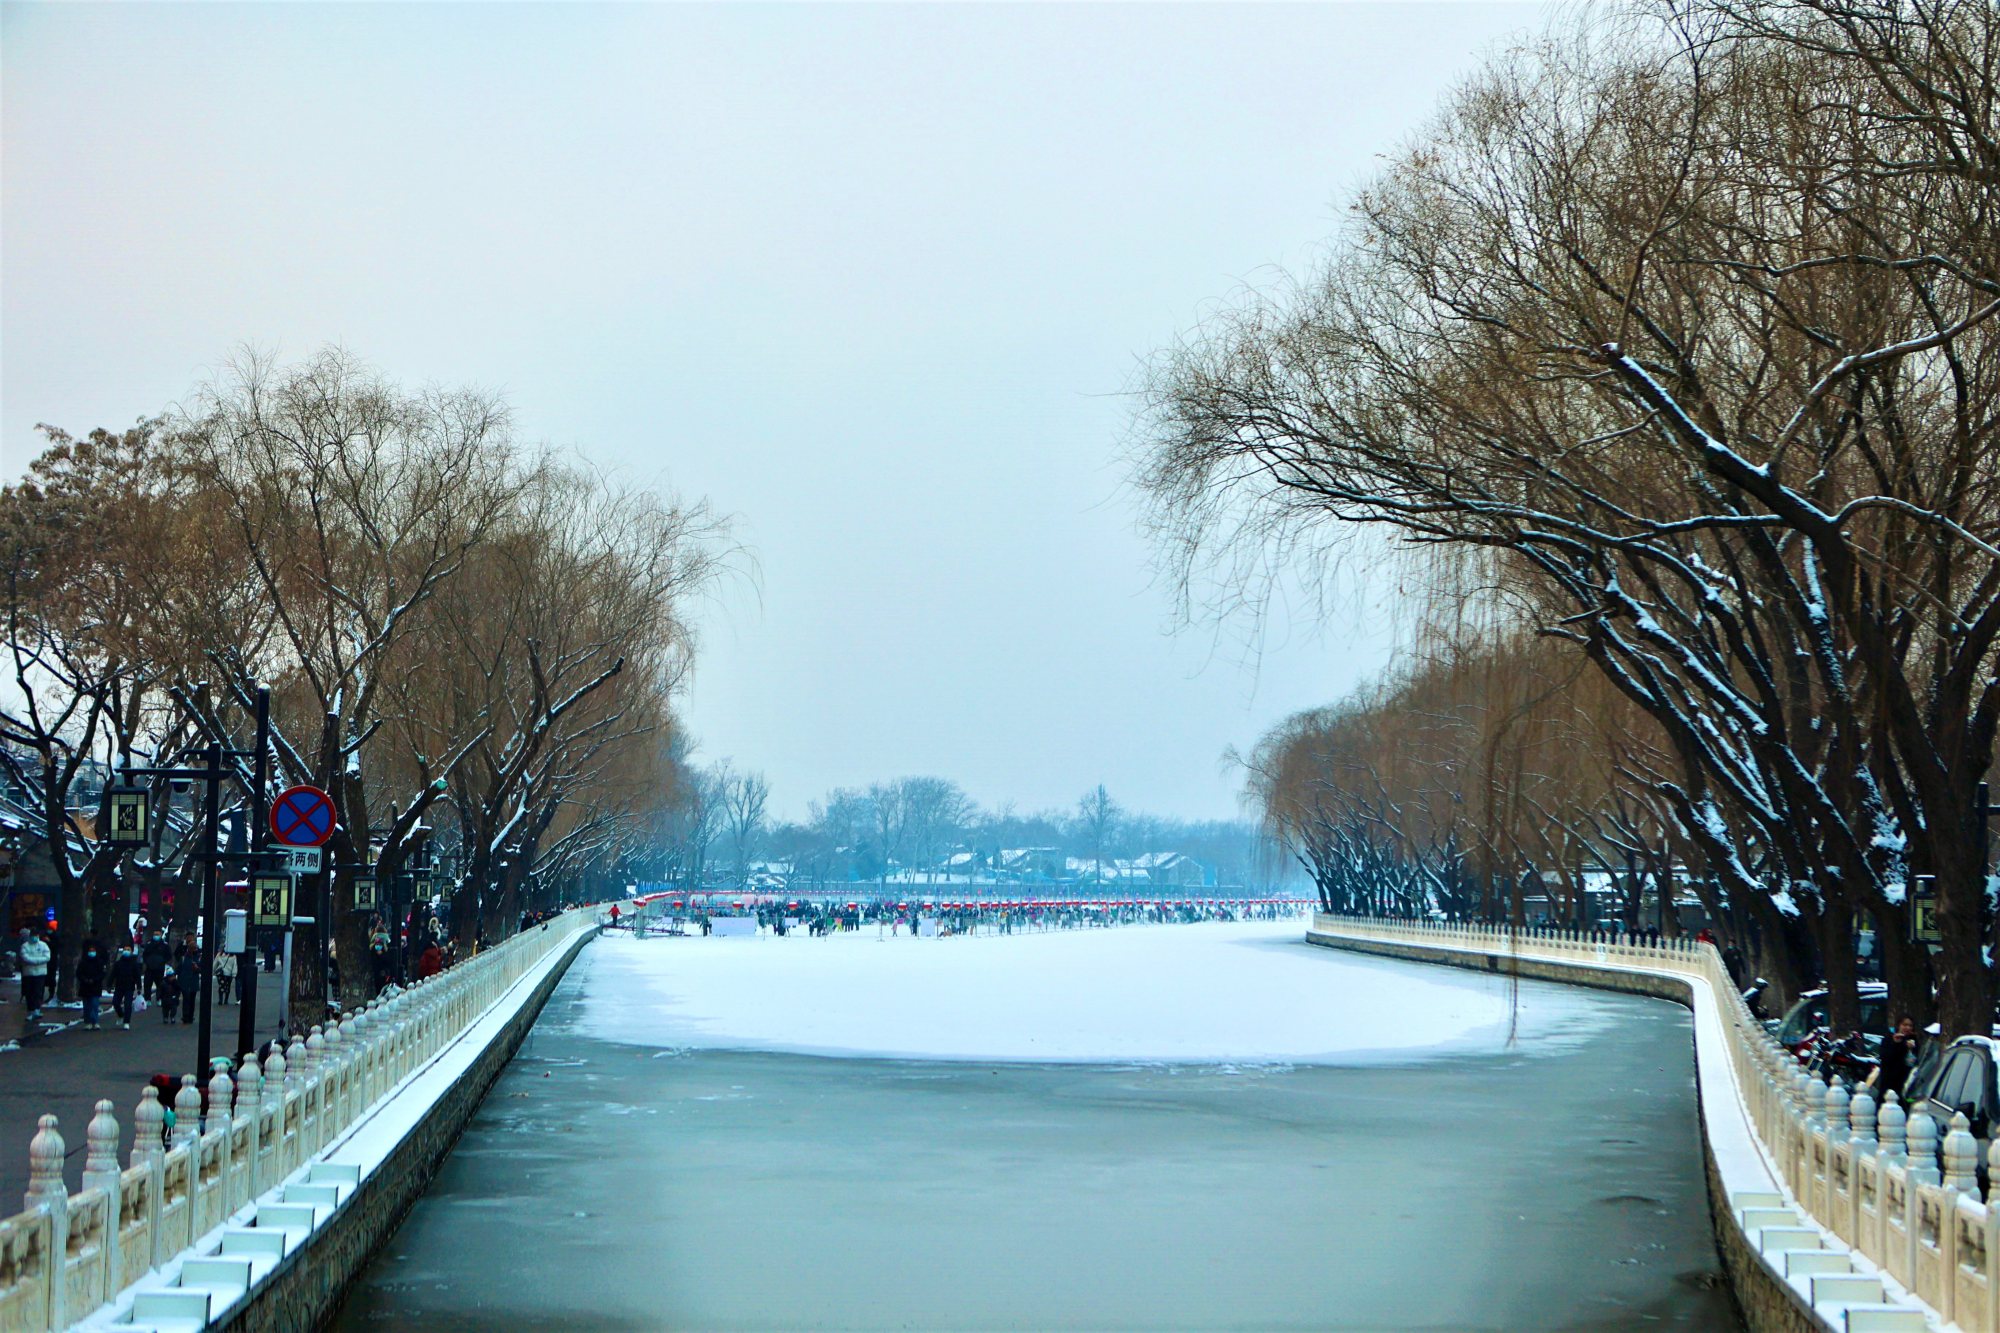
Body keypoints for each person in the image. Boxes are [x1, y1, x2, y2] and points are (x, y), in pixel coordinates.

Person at [1873, 1015, 1920, 1097]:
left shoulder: (1913, 1040)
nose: (1908, 1028)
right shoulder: (1889, 1038)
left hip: (1907, 1081)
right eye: (1905, 1025)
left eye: (1910, 1026)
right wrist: (1898, 1044)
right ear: (1899, 1025)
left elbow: (1917, 1058)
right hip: (1890, 1081)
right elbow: (1886, 1057)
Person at [16, 929, 50, 1020]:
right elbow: (24, 957)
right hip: (29, 973)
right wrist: (38, 960)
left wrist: (35, 960)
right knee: (30, 993)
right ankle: (31, 1010)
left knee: (38, 992)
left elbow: (47, 956)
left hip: (40, 973)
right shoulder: (25, 946)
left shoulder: (43, 945)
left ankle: (37, 1009)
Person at [76, 934, 108, 1030]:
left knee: (94, 1004)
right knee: (87, 1006)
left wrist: (95, 979)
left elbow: (102, 973)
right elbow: (79, 973)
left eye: (93, 951)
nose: (91, 953)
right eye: (90, 951)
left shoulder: (99, 962)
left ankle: (95, 1021)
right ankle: (87, 1021)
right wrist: (85, 979)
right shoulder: (83, 962)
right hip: (85, 986)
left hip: (95, 986)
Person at [110, 945, 142, 1029]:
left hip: (129, 986)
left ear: (131, 952)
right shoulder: (118, 963)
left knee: (128, 1005)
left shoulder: (134, 964)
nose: (126, 951)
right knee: (115, 1002)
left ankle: (126, 1022)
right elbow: (113, 975)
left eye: (128, 950)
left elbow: (137, 976)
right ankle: (120, 1015)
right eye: (125, 949)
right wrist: (109, 985)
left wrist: (139, 987)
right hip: (119, 986)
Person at [176, 936, 201, 1025]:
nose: (195, 950)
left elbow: (201, 969)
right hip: (185, 981)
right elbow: (178, 969)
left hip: (193, 981)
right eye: (194, 949)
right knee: (186, 999)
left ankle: (190, 1016)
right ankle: (186, 1016)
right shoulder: (184, 958)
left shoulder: (198, 957)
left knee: (192, 1000)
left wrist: (197, 968)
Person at [141, 931, 170, 1003]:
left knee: (160, 984)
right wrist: (147, 962)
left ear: (160, 935)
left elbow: (169, 955)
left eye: (157, 934)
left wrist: (163, 961)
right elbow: (145, 954)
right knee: (147, 984)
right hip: (149, 968)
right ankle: (147, 999)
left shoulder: (164, 945)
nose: (156, 936)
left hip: (160, 968)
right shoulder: (149, 944)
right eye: (155, 934)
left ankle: (159, 999)